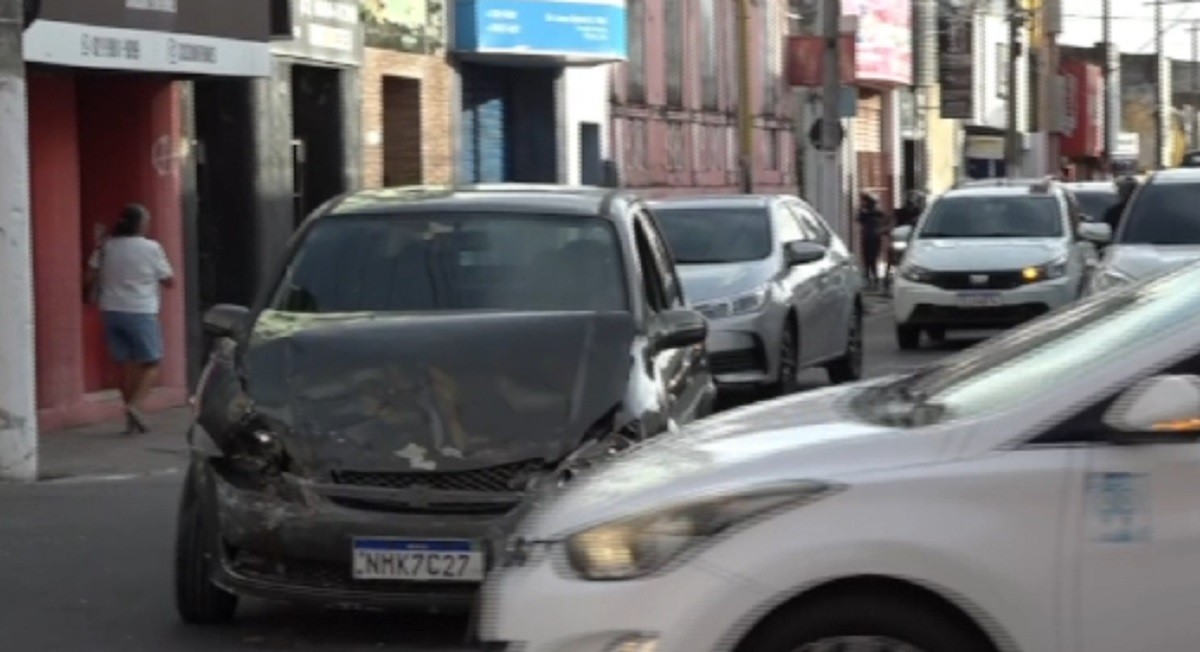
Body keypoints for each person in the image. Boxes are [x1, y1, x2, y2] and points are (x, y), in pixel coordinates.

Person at [84, 204, 174, 434]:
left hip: (111, 311)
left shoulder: (106, 246)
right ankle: (135, 406)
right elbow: (168, 280)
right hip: (141, 310)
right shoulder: (152, 248)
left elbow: (90, 275)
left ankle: (131, 421)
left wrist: (88, 295)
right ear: (141, 224)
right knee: (152, 364)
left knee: (127, 365)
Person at [856, 192, 886, 289]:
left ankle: (872, 279)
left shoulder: (875, 213)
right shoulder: (871, 213)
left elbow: (859, 219)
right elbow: (859, 219)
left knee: (871, 259)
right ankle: (870, 279)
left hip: (873, 238)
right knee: (868, 259)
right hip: (869, 237)